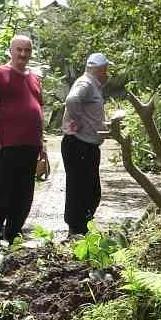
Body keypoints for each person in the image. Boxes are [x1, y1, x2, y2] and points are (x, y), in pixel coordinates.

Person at [0, 34, 49, 256]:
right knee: (1, 193)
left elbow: (39, 112)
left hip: (30, 146)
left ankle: (11, 237)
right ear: (10, 50)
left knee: (24, 195)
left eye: (27, 50)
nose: (23, 54)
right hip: (7, 145)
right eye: (19, 50)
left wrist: (43, 146)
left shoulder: (34, 78)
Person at [62, 52, 109, 237]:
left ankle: (83, 227)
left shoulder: (92, 85)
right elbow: (72, 100)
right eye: (106, 69)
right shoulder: (86, 82)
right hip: (78, 144)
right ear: (100, 69)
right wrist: (78, 120)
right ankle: (76, 230)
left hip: (87, 145)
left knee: (90, 189)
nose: (107, 73)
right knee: (79, 188)